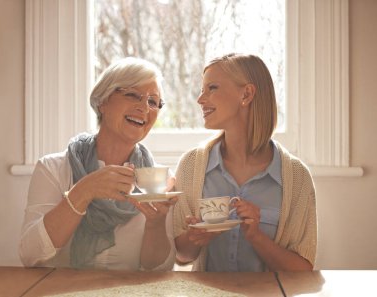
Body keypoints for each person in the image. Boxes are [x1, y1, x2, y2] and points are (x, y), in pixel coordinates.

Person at [20, 57, 177, 270]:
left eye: (152, 101)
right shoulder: (52, 169)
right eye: (132, 94)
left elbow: (158, 270)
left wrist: (156, 222)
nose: (144, 107)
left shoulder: (159, 180)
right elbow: (31, 255)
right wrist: (83, 191)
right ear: (102, 101)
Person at [173, 53, 317, 272]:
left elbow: (303, 271)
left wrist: (256, 237)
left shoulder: (297, 177)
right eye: (202, 90)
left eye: (212, 88)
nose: (200, 99)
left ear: (247, 94)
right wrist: (194, 238)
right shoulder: (191, 166)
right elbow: (181, 256)